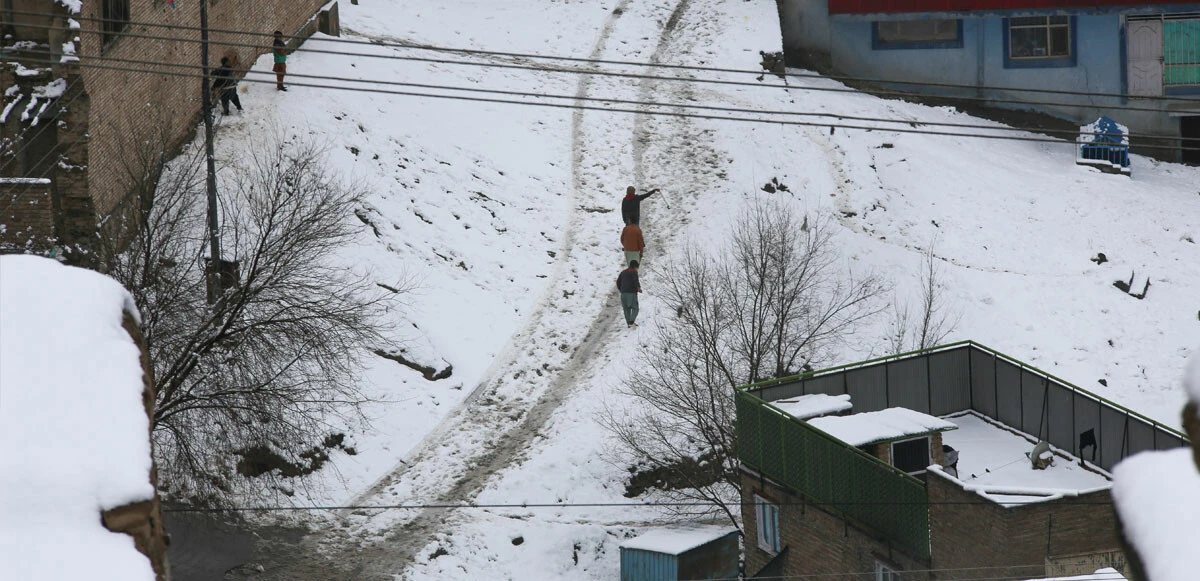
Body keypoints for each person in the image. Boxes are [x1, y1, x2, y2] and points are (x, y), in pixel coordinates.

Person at [616, 260, 642, 328]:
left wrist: (621, 289)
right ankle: (631, 322)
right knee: (635, 308)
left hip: (623, 293)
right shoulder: (633, 272)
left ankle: (629, 324)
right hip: (631, 293)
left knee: (626, 309)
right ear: (635, 266)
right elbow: (635, 281)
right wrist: (638, 288)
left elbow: (618, 282)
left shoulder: (623, 272)